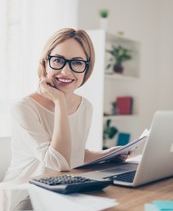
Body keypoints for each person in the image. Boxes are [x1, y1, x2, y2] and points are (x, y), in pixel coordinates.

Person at [4, 28, 127, 183]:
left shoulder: (85, 106)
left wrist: (108, 154)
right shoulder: (23, 107)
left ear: (86, 69)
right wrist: (60, 102)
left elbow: (73, 156)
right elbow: (58, 162)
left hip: (60, 188)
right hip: (24, 194)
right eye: (58, 60)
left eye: (77, 62)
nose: (65, 71)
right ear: (45, 63)